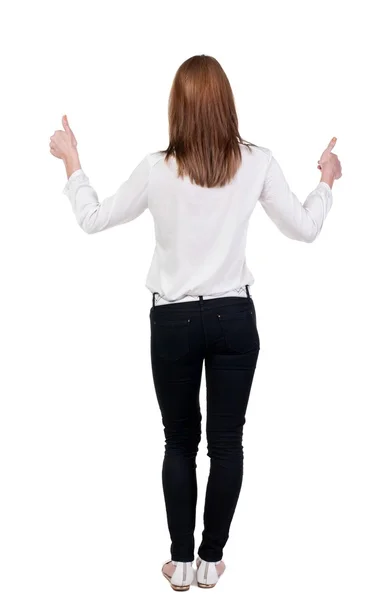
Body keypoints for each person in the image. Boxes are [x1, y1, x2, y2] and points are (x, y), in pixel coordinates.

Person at [49, 54, 342, 591]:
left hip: (174, 323)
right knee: (226, 443)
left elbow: (93, 219)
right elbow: (305, 227)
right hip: (235, 319)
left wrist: (72, 160)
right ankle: (211, 561)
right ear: (227, 102)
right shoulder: (258, 162)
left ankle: (180, 563)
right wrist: (326, 181)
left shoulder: (158, 168)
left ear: (176, 107)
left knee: (180, 442)